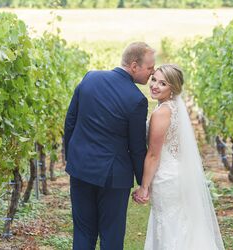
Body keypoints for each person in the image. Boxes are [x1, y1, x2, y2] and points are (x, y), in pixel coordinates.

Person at [64, 42, 155, 250]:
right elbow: (137, 147)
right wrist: (143, 183)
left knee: (83, 231)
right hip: (113, 177)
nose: (152, 72)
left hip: (80, 168)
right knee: (111, 235)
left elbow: (70, 121)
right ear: (134, 66)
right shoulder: (137, 100)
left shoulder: (90, 78)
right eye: (149, 68)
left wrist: (72, 157)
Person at [132, 64, 224, 249]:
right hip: (177, 172)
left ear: (172, 88)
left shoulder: (162, 112)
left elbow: (153, 155)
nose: (155, 85)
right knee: (182, 224)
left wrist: (144, 187)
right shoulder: (174, 108)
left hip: (167, 178)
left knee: (170, 226)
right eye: (154, 79)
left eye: (163, 83)